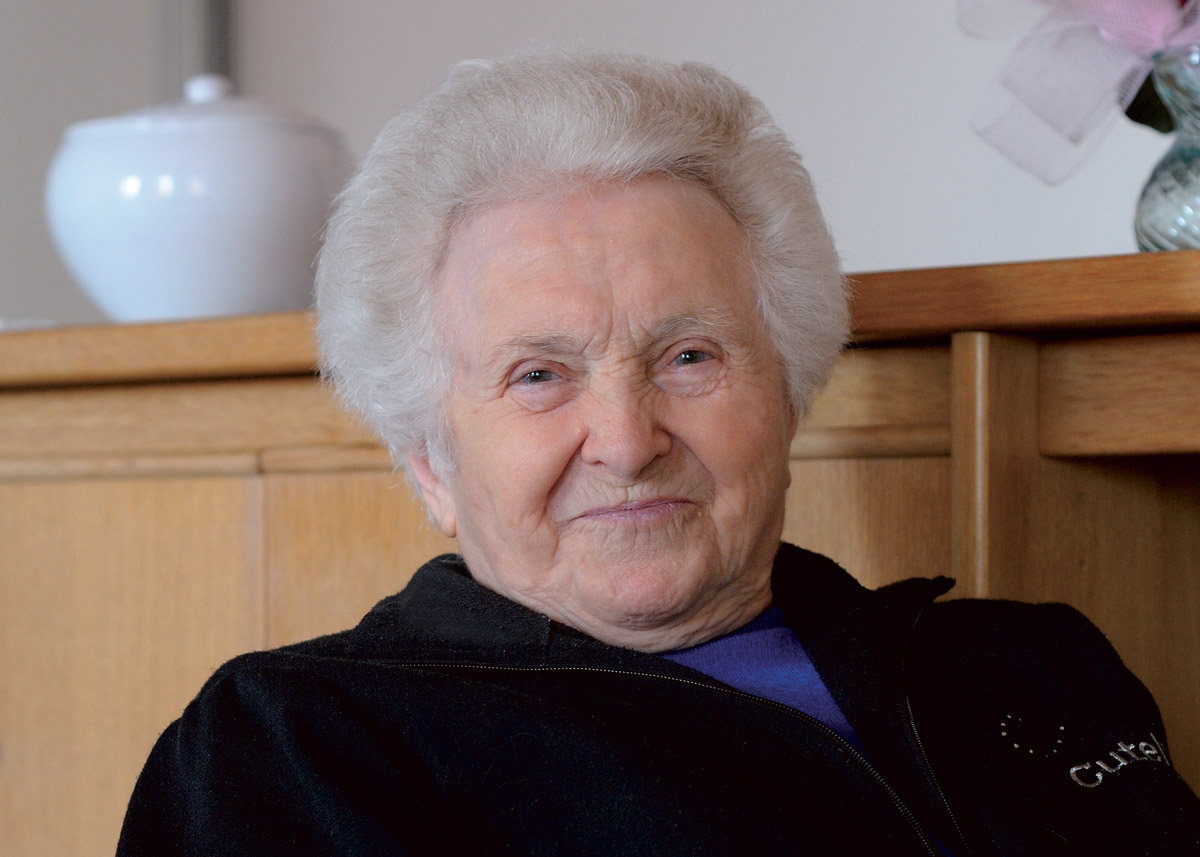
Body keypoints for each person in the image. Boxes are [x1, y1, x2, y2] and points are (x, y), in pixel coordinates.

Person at [116, 51, 1200, 856]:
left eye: (688, 356)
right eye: (538, 375)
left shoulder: (1030, 663)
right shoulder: (299, 744)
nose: (629, 441)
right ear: (431, 461)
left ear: (788, 392)